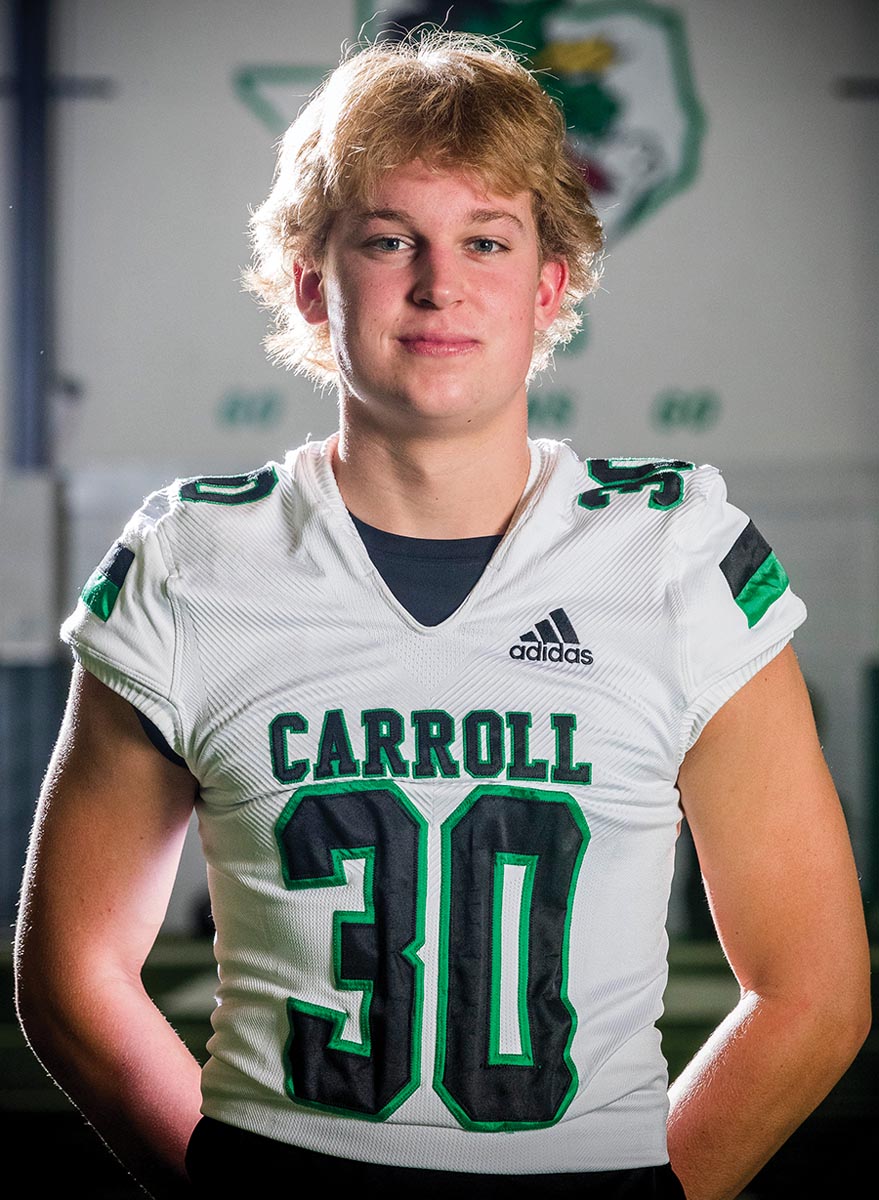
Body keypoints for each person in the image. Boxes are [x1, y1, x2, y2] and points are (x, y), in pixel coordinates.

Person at [14, 30, 870, 1200]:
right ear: (311, 284)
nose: (439, 284)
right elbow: (72, 974)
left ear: (548, 285)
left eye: (487, 240)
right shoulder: (192, 563)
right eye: (388, 240)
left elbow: (815, 991)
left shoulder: (676, 557)